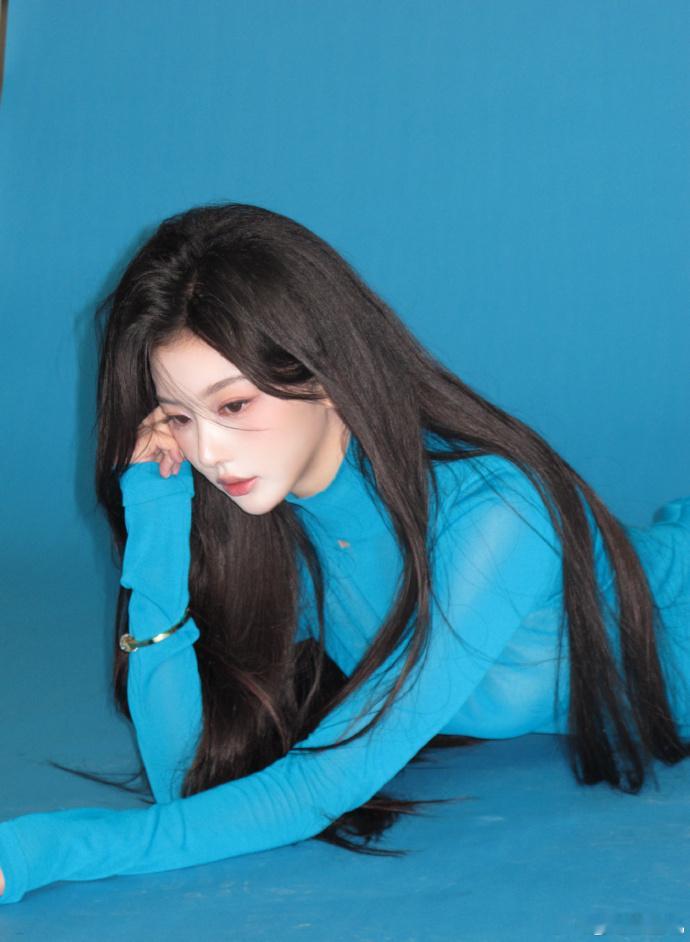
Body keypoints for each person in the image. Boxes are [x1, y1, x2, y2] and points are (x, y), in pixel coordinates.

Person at [1, 202, 688, 905]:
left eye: (233, 406)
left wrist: (36, 851)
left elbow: (319, 788)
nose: (206, 452)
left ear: (323, 374)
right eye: (178, 416)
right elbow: (185, 781)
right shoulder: (278, 527)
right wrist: (157, 513)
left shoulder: (497, 514)